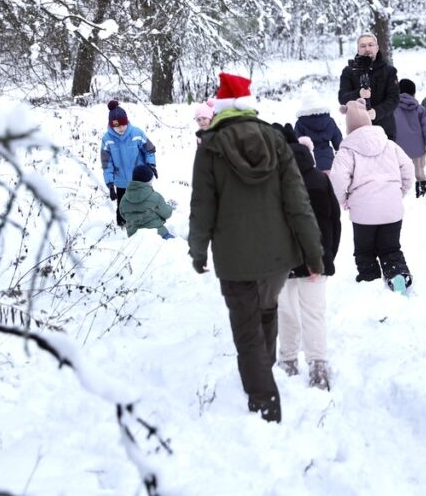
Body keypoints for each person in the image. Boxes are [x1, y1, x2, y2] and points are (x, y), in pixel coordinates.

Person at [188, 73, 324, 423]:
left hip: (234, 259)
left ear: (220, 110)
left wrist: (198, 249)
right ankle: (264, 374)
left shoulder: (211, 147)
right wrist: (313, 254)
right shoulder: (276, 141)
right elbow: (298, 202)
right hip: (278, 257)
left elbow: (203, 205)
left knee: (246, 331)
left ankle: (265, 404)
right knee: (266, 311)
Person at [273, 126, 341, 392]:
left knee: (287, 313)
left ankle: (288, 361)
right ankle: (317, 367)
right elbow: (332, 223)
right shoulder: (318, 179)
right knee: (314, 314)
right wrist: (325, 257)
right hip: (315, 260)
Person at [330, 100, 415, 292]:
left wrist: (343, 200)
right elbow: (408, 168)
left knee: (365, 252)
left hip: (363, 212)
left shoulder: (347, 151)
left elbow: (337, 180)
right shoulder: (390, 145)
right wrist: (399, 192)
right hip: (392, 209)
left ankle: (370, 285)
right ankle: (398, 276)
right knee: (391, 248)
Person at [101, 100, 157, 227]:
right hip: (121, 181)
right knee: (123, 208)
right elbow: (106, 163)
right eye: (117, 126)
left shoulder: (137, 133)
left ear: (127, 121)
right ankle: (123, 230)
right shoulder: (107, 140)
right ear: (111, 125)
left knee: (147, 202)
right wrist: (110, 184)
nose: (121, 128)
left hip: (140, 179)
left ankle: (151, 223)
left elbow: (149, 150)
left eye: (123, 124)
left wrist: (151, 165)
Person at [337, 33, 400, 140]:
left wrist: (376, 112)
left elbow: (394, 99)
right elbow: (343, 98)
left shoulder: (389, 71)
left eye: (371, 45)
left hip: (385, 131)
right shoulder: (348, 71)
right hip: (358, 131)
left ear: (377, 48)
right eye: (363, 46)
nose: (367, 49)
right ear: (358, 49)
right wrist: (358, 93)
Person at [393, 78, 426, 198]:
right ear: (413, 92)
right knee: (420, 173)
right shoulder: (419, 109)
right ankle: (422, 196)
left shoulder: (392, 109)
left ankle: (398, 197)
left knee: (399, 175)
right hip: (418, 150)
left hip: (399, 150)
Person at [119, 164, 174, 239]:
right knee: (178, 246)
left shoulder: (124, 199)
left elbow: (123, 215)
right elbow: (167, 214)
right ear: (147, 181)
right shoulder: (156, 197)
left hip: (134, 238)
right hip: (157, 234)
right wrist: (170, 207)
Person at [294, 91, 343, 172]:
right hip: (328, 158)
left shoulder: (300, 123)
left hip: (310, 161)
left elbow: (297, 144)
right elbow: (338, 142)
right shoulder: (329, 121)